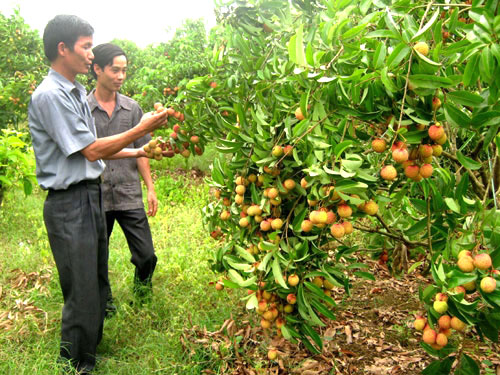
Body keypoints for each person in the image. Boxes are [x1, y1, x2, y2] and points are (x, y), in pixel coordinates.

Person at [28, 15, 168, 374]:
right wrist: (141, 128)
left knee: (96, 279)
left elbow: (98, 149)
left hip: (91, 195)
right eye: (86, 46)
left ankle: (90, 349)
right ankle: (75, 364)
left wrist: (140, 150)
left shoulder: (73, 91)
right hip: (69, 201)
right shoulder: (51, 95)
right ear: (63, 49)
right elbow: (90, 151)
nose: (91, 55)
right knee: (81, 288)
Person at [87, 43, 158, 312]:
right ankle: (104, 304)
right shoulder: (83, 107)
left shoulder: (132, 109)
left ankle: (141, 295)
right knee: (97, 257)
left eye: (124, 70)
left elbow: (143, 151)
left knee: (146, 255)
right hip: (97, 194)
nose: (120, 76)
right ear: (97, 69)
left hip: (129, 193)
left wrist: (150, 188)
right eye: (115, 70)